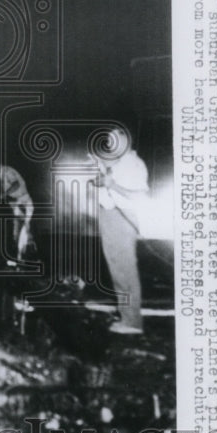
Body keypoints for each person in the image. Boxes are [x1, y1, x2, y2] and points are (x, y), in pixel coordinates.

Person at [93, 127, 149, 335]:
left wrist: (111, 184)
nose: (108, 144)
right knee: (117, 269)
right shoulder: (117, 164)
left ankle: (133, 322)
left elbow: (139, 197)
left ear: (125, 141)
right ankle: (126, 316)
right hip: (110, 216)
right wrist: (101, 176)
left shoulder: (134, 164)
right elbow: (107, 188)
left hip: (122, 218)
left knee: (124, 269)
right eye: (107, 140)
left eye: (112, 139)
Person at [0, 157, 34, 262]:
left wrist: (5, 194)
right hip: (17, 204)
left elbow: (16, 184)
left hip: (23, 203)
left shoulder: (6, 171)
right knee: (17, 233)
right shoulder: (1, 175)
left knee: (21, 233)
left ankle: (26, 259)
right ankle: (20, 260)